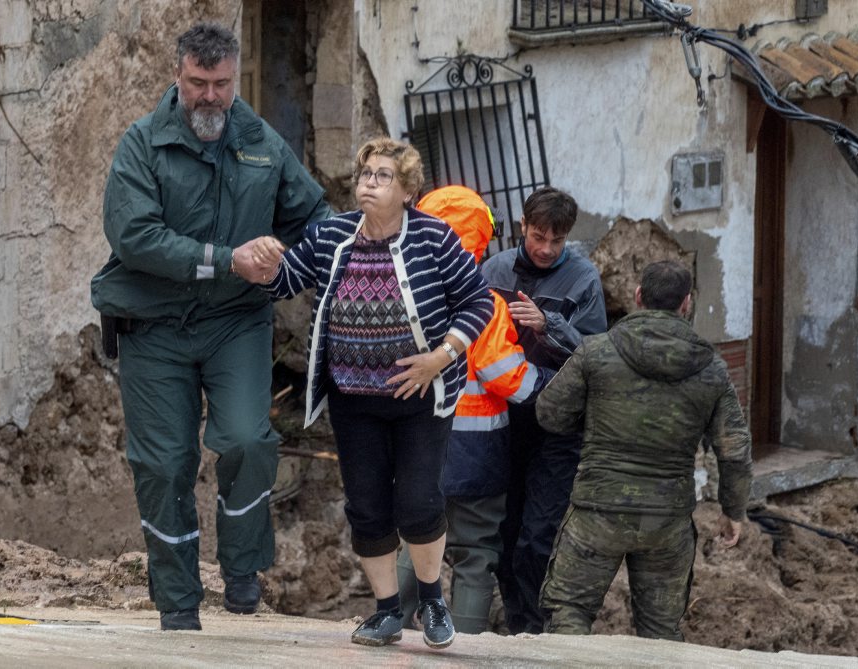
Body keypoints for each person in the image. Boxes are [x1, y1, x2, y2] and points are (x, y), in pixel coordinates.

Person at [90, 23, 332, 631]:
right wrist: (227, 260)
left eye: (221, 84)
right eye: (198, 83)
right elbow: (134, 236)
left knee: (249, 441)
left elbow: (316, 218)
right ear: (179, 77)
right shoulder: (143, 143)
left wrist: (294, 265)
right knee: (165, 463)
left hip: (236, 323)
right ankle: (177, 606)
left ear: (233, 78)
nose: (210, 97)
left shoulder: (261, 142)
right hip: (153, 326)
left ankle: (243, 573)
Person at [245, 139, 494, 650]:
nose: (368, 184)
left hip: (420, 397)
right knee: (367, 507)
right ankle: (385, 612)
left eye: (382, 176)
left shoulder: (435, 238)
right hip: (353, 400)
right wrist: (266, 264)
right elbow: (287, 281)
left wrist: (440, 357)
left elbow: (477, 302)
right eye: (364, 175)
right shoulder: (332, 235)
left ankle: (431, 600)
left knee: (420, 503)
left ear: (408, 190)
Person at [536, 260, 753, 640]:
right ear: (686, 303)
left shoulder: (595, 352)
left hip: (596, 511)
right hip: (667, 522)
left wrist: (594, 424)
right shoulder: (712, 369)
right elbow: (734, 448)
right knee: (661, 632)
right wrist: (733, 511)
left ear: (638, 296)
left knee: (568, 613)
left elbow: (550, 413)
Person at [395, 185, 555, 634]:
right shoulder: (484, 302)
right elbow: (511, 380)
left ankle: (389, 627)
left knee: (414, 543)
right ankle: (463, 649)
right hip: (476, 453)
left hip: (415, 449)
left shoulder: (397, 295)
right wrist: (552, 383)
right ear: (480, 239)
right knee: (475, 554)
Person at [479, 186, 607, 634]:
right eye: (538, 237)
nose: (546, 249)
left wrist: (548, 325)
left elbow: (595, 355)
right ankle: (516, 619)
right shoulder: (492, 269)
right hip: (501, 421)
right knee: (504, 531)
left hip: (558, 425)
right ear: (522, 227)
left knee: (538, 535)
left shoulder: (584, 280)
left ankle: (533, 629)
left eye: (557, 240)